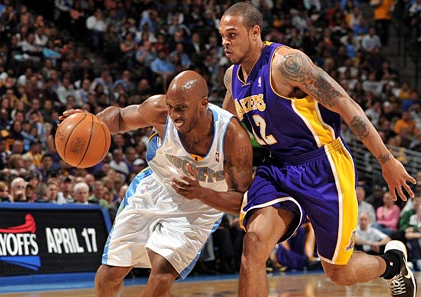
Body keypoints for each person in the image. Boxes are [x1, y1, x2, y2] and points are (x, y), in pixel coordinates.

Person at [218, 3, 417, 296]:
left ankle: (392, 263)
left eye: (232, 34)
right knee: (254, 244)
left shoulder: (288, 65)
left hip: (323, 166)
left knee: (339, 272)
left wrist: (386, 160)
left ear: (255, 32)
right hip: (277, 168)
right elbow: (227, 129)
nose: (225, 41)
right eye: (222, 35)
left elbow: (346, 105)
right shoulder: (231, 78)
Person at [61, 70, 253, 297]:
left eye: (181, 108)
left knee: (161, 276)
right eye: (171, 106)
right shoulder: (160, 111)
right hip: (155, 187)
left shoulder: (234, 138)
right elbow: (121, 117)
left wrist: (201, 193)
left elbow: (240, 201)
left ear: (203, 104)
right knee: (111, 272)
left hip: (199, 207)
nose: (174, 115)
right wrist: (92, 120)